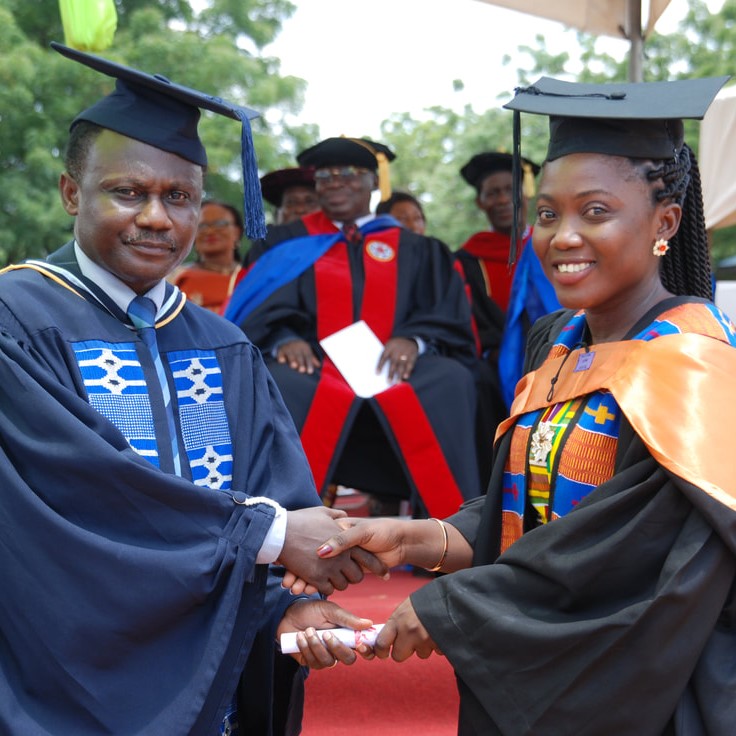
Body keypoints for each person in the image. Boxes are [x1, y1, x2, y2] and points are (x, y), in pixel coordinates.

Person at [308, 75, 736, 734]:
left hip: (652, 688)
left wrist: (455, 607)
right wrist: (421, 536)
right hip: (537, 674)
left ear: (665, 222)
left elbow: (628, 550)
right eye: (547, 213)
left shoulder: (696, 367)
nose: (562, 236)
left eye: (595, 211)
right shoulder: (557, 344)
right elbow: (527, 509)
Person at [0, 43, 387, 735]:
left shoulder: (220, 342)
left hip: (214, 675)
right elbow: (78, 493)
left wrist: (287, 603)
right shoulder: (18, 318)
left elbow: (279, 492)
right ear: (70, 193)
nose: (157, 217)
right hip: (67, 675)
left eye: (179, 197)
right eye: (129, 192)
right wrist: (267, 534)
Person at [226, 136, 482, 519]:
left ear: (373, 183)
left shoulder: (418, 248)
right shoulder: (285, 243)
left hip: (395, 366)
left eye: (349, 174)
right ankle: (284, 525)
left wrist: (414, 341)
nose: (335, 183)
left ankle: (449, 530)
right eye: (326, 176)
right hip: (314, 366)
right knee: (282, 382)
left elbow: (445, 311)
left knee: (450, 380)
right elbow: (259, 310)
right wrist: (283, 339)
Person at [170, 199, 244, 313]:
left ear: (237, 232)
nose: (210, 231)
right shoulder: (174, 277)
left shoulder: (251, 276)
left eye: (220, 224)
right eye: (202, 226)